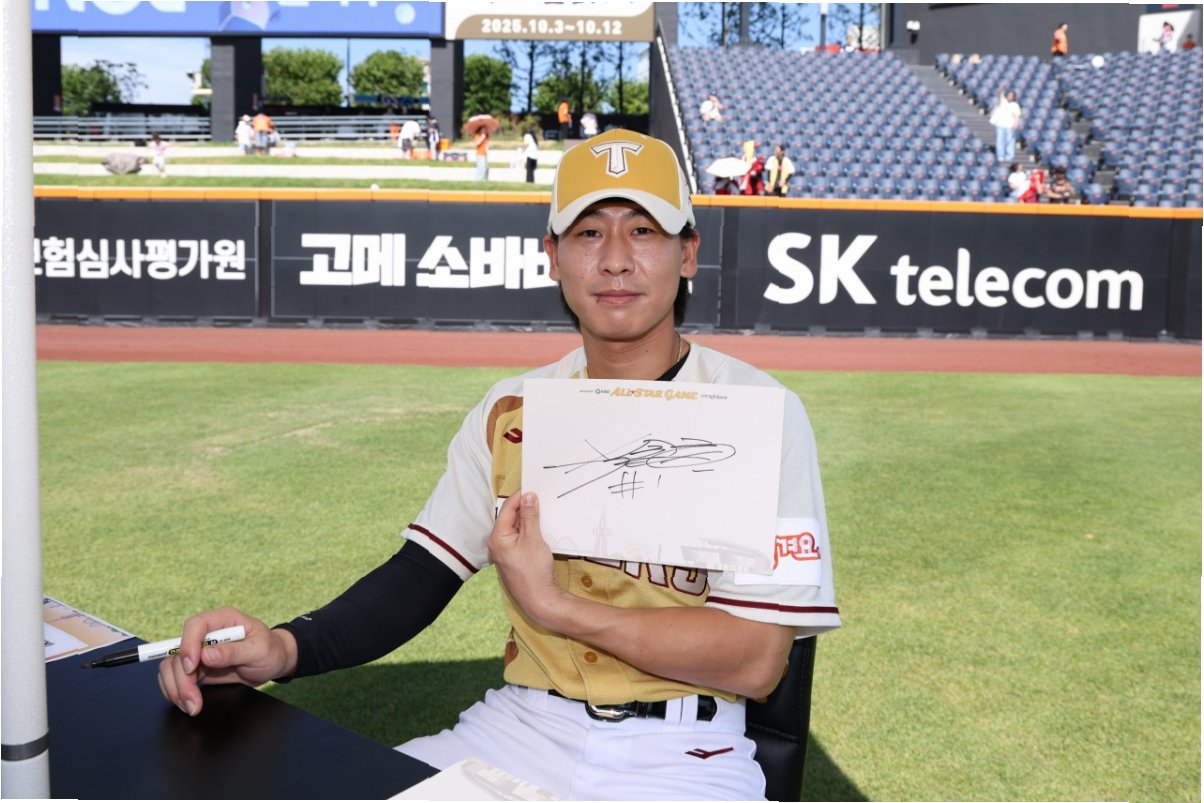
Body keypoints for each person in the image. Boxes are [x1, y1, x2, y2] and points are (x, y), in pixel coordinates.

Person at [155, 128, 841, 801]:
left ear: (687, 252)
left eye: (643, 231)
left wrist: (554, 606)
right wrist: (283, 647)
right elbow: (420, 575)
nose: (614, 260)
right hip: (522, 726)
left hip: (688, 754)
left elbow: (755, 659)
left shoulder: (761, 412)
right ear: (553, 256)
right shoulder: (512, 408)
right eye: (588, 232)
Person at [989, 90, 1021, 161]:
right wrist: (1002, 89)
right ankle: (1000, 155)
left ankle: (1009, 155)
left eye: (1012, 96)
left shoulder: (1015, 105)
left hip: (1010, 126)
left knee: (1009, 141)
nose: (1010, 97)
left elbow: (1017, 115)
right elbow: (1000, 94)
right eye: (1009, 95)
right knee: (999, 141)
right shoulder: (1002, 102)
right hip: (1000, 125)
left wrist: (1016, 123)